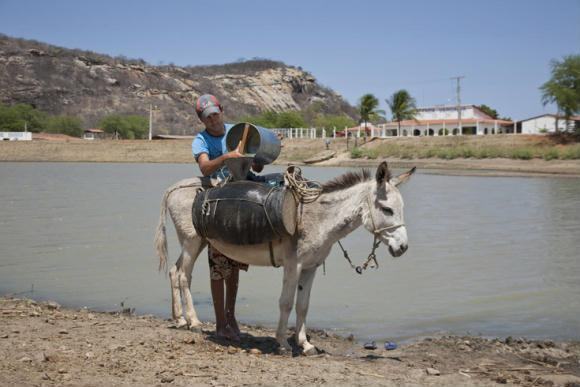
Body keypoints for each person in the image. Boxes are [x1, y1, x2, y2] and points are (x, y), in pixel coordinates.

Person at [191, 94, 250, 341]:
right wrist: (227, 157)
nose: (213, 120)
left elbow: (253, 163)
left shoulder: (236, 132)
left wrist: (257, 156)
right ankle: (220, 323)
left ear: (222, 111)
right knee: (218, 267)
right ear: (202, 120)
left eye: (216, 114)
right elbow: (204, 168)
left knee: (234, 265)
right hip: (217, 202)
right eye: (208, 117)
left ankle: (232, 315)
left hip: (237, 197)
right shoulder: (200, 140)